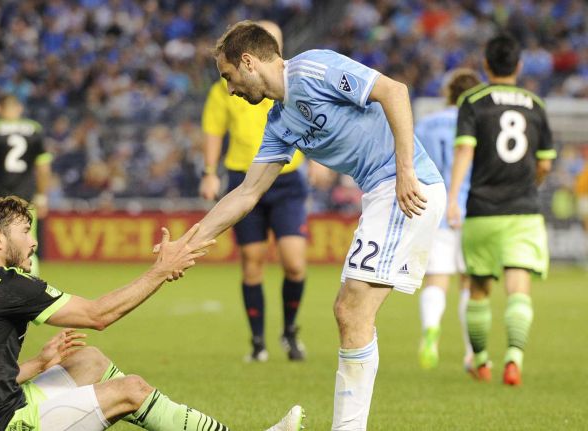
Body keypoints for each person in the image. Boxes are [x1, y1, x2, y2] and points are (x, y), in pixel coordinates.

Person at [169, 21, 445, 430]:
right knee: (351, 312)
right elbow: (246, 194)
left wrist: (405, 170)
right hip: (383, 192)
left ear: (248, 63)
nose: (229, 89)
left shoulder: (313, 69)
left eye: (228, 77)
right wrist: (188, 243)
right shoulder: (280, 122)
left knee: (352, 310)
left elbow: (394, 91)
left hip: (404, 188)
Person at [0, 196, 304, 431]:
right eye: (26, 231)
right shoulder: (5, 286)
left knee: (88, 360)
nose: (34, 240)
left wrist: (39, 364)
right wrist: (160, 271)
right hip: (2, 425)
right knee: (131, 389)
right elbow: (98, 315)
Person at [200, 20, 318, 362]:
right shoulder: (227, 87)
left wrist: (319, 159)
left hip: (287, 177)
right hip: (243, 176)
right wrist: (210, 172)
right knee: (252, 262)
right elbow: (212, 131)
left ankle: (290, 331)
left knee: (295, 263)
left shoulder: (293, 82)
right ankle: (257, 342)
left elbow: (312, 119)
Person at [447, 33, 555, 386]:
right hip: (523, 210)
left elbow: (464, 151)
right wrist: (530, 183)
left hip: (482, 209)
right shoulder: (535, 104)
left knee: (478, 290)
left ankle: (480, 361)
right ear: (519, 66)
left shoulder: (473, 100)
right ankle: (514, 357)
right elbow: (545, 166)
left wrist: (453, 200)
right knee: (518, 286)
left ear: (486, 65)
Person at [414, 68, 482, 370]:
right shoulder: (480, 125)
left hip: (436, 209)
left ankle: (431, 329)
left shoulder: (427, 124)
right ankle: (472, 352)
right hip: (473, 210)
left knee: (436, 280)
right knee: (471, 284)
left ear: (448, 93)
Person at [0, 94, 51, 276]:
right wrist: (42, 195)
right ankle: (32, 289)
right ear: (19, 109)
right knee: (26, 242)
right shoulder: (34, 130)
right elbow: (43, 168)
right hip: (25, 198)